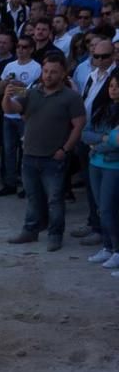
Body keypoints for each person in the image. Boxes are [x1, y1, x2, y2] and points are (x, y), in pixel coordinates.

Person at [4, 53, 86, 251]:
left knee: (55, 200)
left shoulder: (71, 97)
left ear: (63, 73)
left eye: (53, 72)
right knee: (33, 197)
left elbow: (79, 125)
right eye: (46, 71)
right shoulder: (31, 92)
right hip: (30, 154)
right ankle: (30, 230)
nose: (48, 75)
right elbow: (13, 109)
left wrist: (65, 149)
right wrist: (6, 96)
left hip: (54, 157)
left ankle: (55, 235)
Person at [84, 70, 119, 271]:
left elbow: (116, 142)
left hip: (113, 166)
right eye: (111, 85)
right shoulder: (102, 108)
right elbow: (86, 133)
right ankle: (107, 246)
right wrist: (104, 139)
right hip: (96, 164)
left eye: (117, 86)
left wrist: (98, 143)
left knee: (108, 210)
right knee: (101, 208)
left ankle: (116, 249)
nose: (113, 89)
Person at [0, 35, 39, 197]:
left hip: (24, 116)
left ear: (32, 49)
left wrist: (19, 89)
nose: (21, 50)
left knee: (26, 152)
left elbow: (35, 94)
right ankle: (10, 183)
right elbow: (0, 91)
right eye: (19, 47)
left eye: (25, 47)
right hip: (8, 114)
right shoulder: (10, 66)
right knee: (8, 151)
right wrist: (5, 82)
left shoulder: (37, 68)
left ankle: (27, 186)